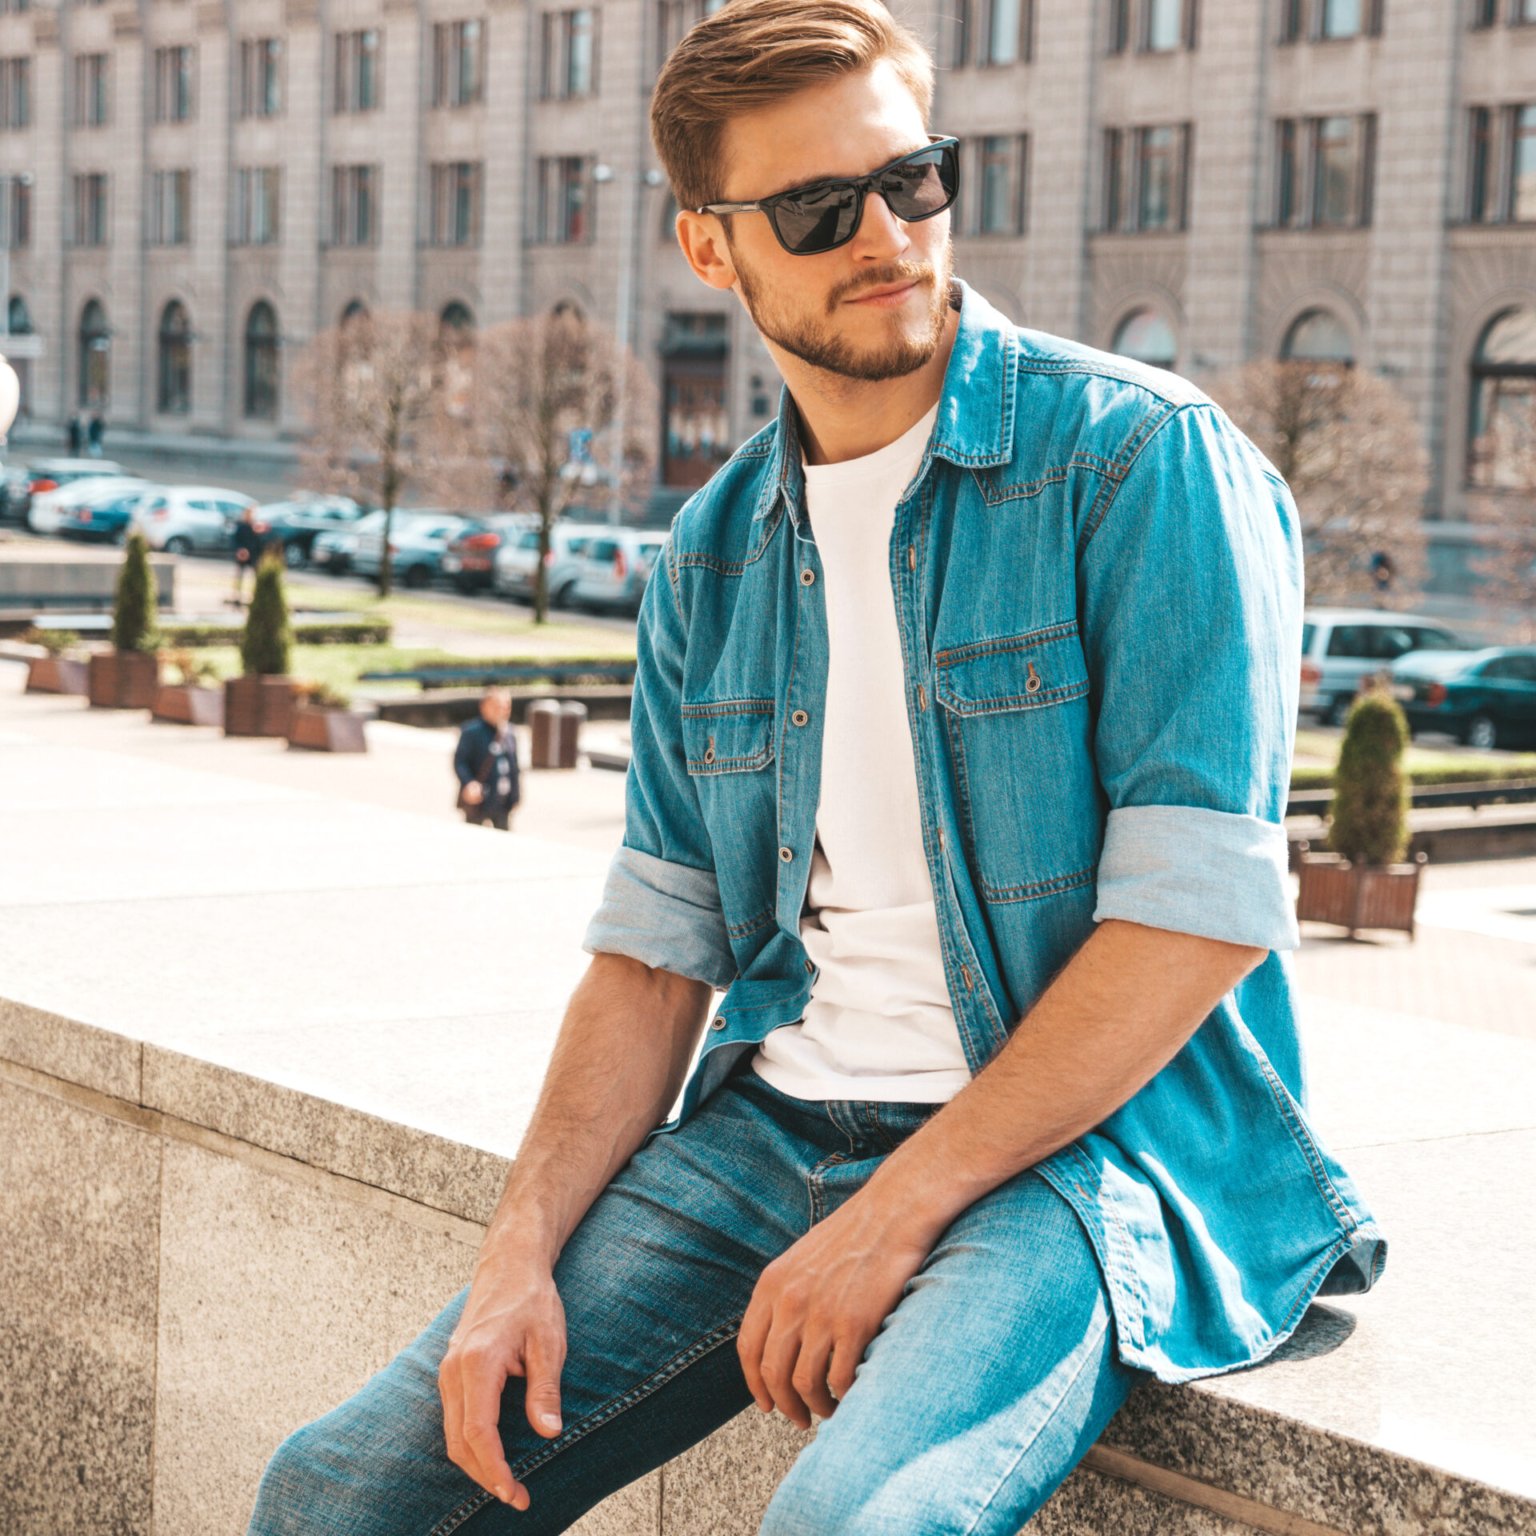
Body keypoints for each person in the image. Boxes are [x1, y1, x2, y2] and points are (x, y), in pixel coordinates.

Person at [249, 4, 1386, 1532]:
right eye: (815, 209)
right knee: (332, 1494)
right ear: (711, 249)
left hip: (1072, 1162)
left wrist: (900, 1212)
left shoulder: (1140, 461)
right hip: (772, 1127)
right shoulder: (713, 556)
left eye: (913, 180)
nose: (887, 235)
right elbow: (656, 962)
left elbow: (1195, 920)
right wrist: (512, 1258)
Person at [454, 688, 521, 831]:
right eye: (497, 706)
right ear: (484, 707)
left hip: (502, 800)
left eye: (506, 706)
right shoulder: (471, 732)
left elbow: (514, 767)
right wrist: (468, 782)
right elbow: (460, 762)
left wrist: (515, 796)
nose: (502, 710)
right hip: (480, 799)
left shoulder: (510, 733)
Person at [231, 507, 269, 600]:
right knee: (240, 576)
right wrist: (240, 550)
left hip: (254, 555)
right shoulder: (241, 526)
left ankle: (256, 596)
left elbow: (261, 543)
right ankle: (237, 597)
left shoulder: (255, 526)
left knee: (257, 576)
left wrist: (260, 532)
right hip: (242, 555)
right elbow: (235, 541)